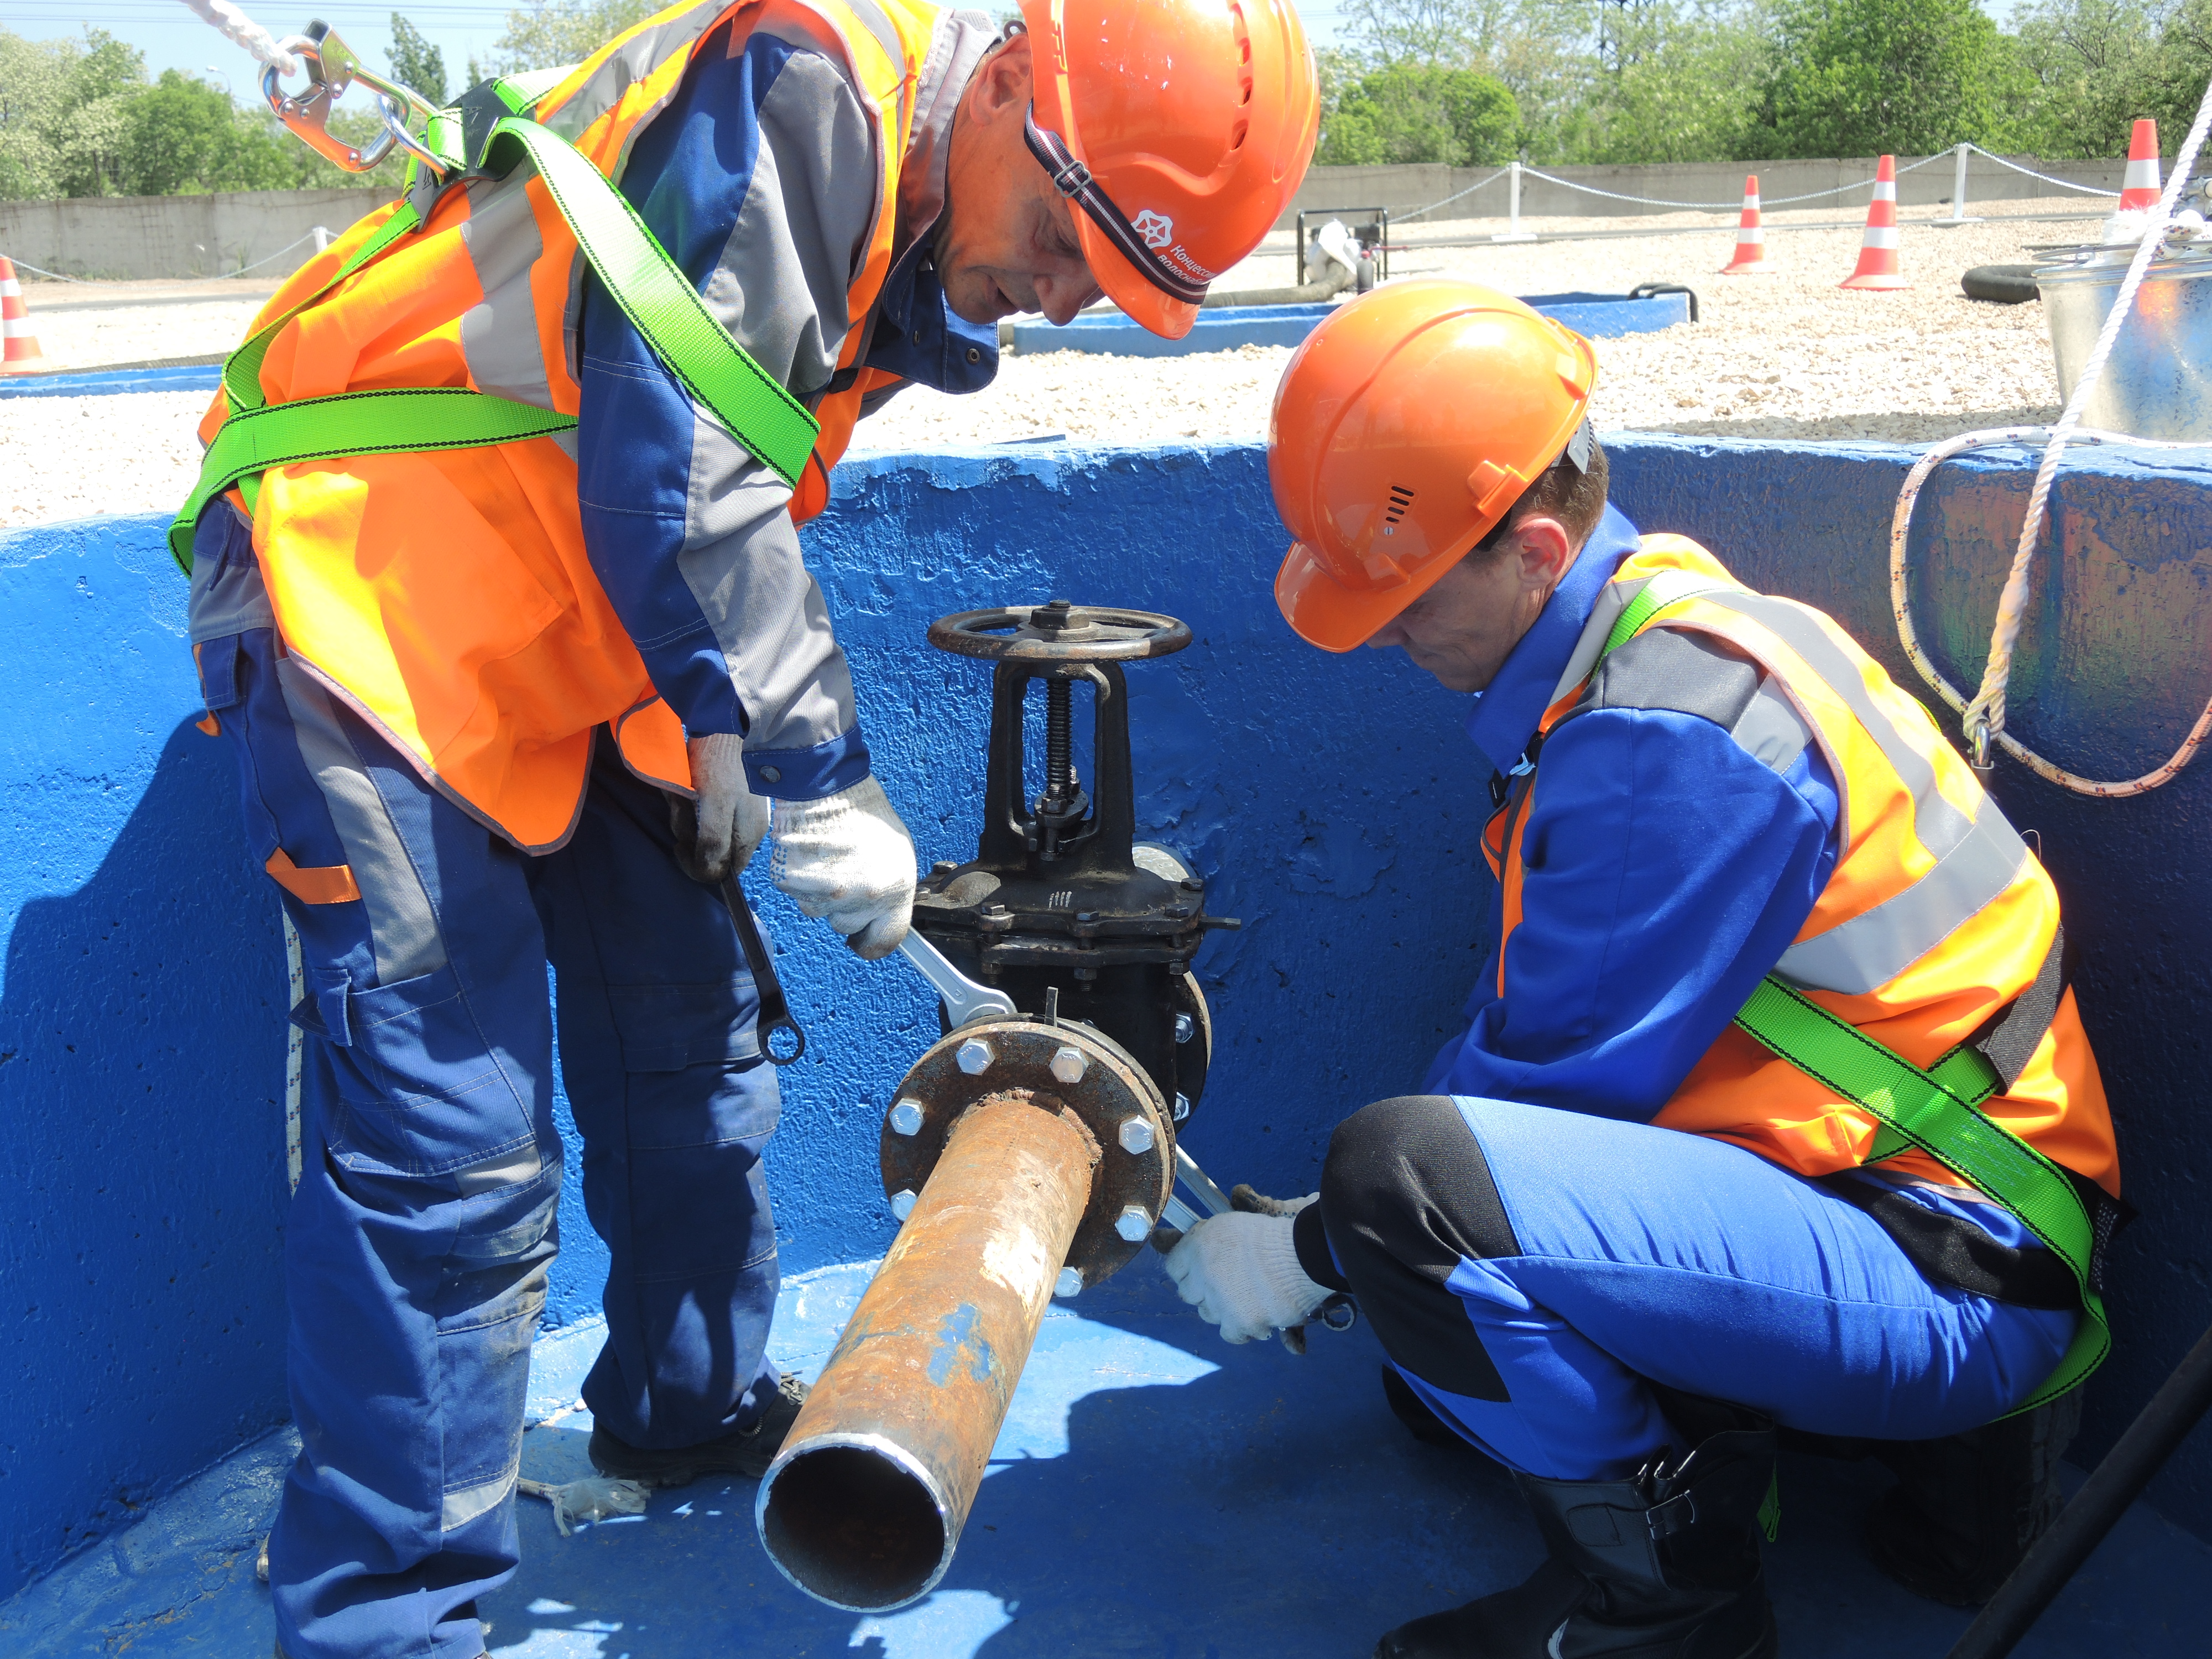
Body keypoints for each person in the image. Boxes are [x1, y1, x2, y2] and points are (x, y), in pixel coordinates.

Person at [178, 3, 1317, 1653]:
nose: (1069, 297)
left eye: (1115, 292)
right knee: (451, 1153)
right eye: (1074, 236)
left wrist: (731, 728)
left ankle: (686, 1399)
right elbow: (692, 453)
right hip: (372, 583)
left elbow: (671, 462)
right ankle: (391, 1622)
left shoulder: (901, 224)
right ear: (1001, 88)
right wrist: (817, 771)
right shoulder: (802, 83)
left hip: (588, 601)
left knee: (690, 1044)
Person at [1162, 281, 2122, 1659]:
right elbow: (1534, 1063)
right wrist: (1349, 1253)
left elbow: (1531, 1116)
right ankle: (1864, 1469)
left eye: (1403, 595)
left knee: (1399, 1215)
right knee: (1430, 1357)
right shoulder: (1657, 631)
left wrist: (1313, 1247)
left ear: (1533, 546)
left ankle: (1668, 1604)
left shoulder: (1663, 737)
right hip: (1901, 1206)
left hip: (1951, 1272)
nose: (1380, 633)